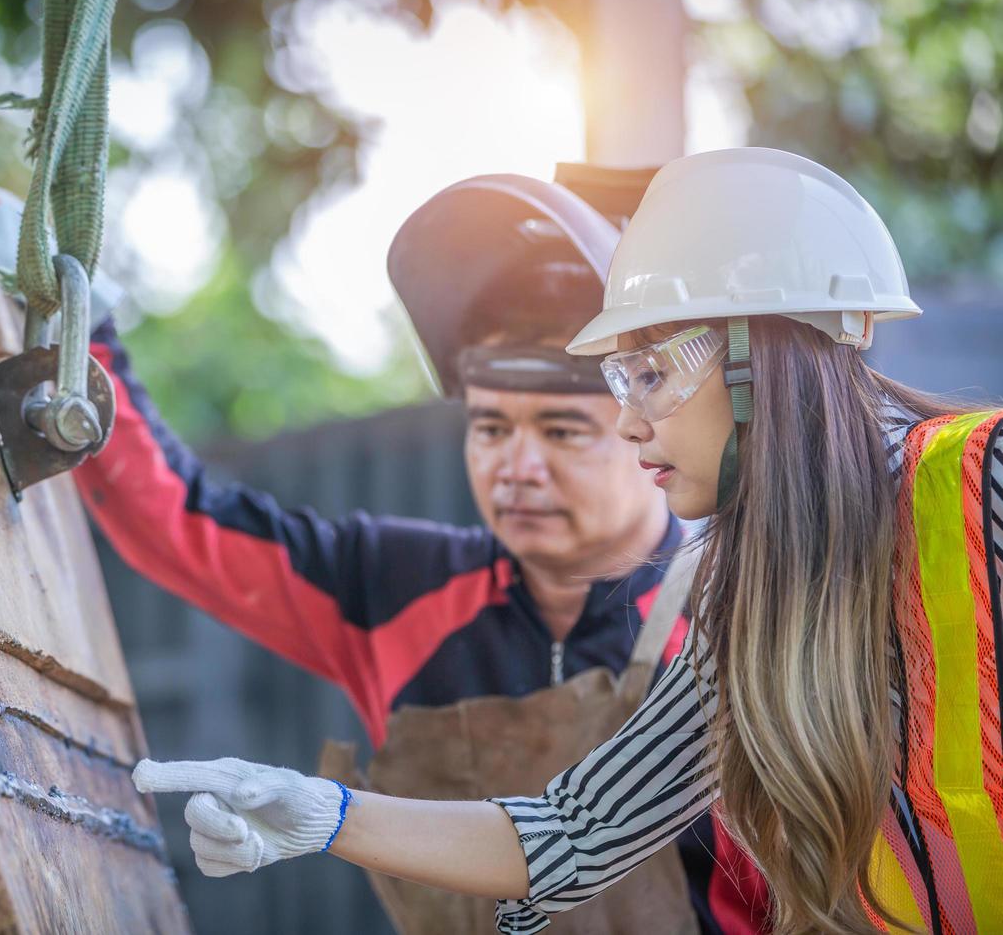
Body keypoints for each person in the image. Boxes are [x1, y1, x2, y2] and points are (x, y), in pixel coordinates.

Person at [133, 146, 1003, 934]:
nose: (626, 422)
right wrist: (324, 815)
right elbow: (573, 835)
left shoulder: (981, 482)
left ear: (755, 356)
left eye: (651, 375)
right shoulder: (753, 606)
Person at [0, 165, 762, 931]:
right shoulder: (394, 589)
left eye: (562, 431)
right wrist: (79, 329)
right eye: (491, 428)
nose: (517, 467)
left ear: (643, 425)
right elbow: (181, 520)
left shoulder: (738, 617)